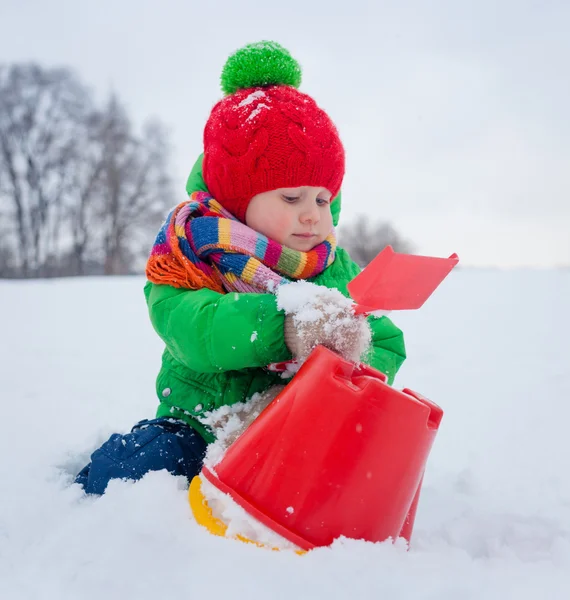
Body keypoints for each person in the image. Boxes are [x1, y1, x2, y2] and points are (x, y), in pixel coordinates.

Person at [75, 41, 406, 495]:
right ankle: (89, 499)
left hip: (292, 432)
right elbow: (194, 328)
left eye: (322, 199)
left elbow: (386, 339)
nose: (312, 214)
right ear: (238, 200)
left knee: (354, 478)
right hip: (202, 427)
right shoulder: (190, 253)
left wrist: (357, 354)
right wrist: (283, 327)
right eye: (291, 198)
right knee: (143, 467)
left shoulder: (331, 266)